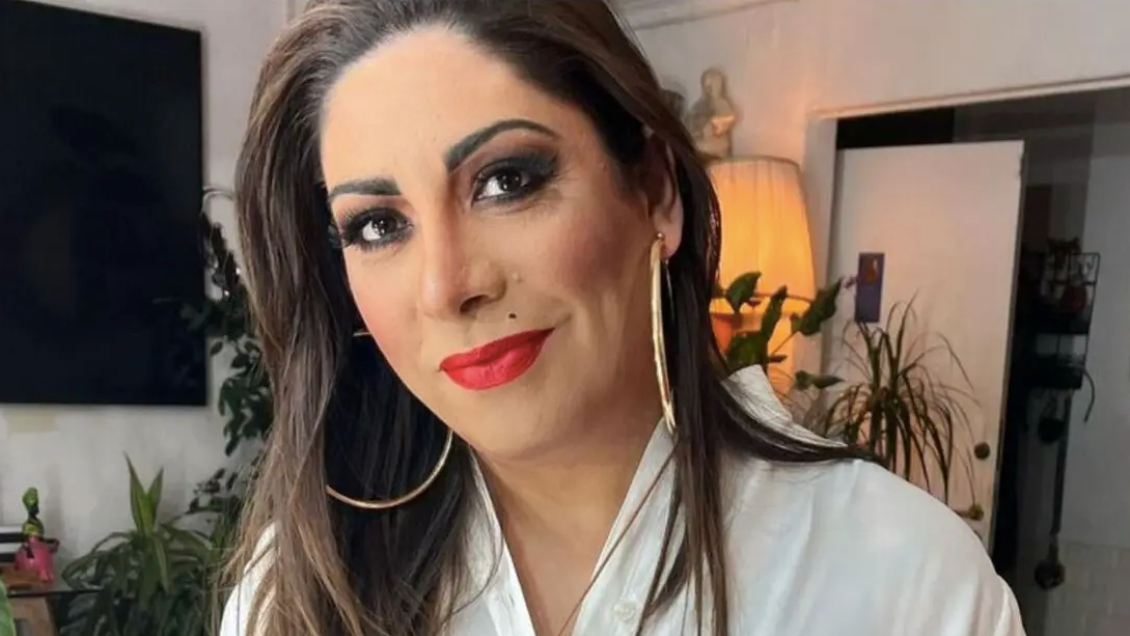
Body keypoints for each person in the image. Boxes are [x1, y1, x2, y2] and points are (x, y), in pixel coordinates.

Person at [221, 1, 1026, 635]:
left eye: (506, 181)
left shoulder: (904, 580)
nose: (445, 286)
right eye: (377, 225)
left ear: (655, 192)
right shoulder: (294, 592)